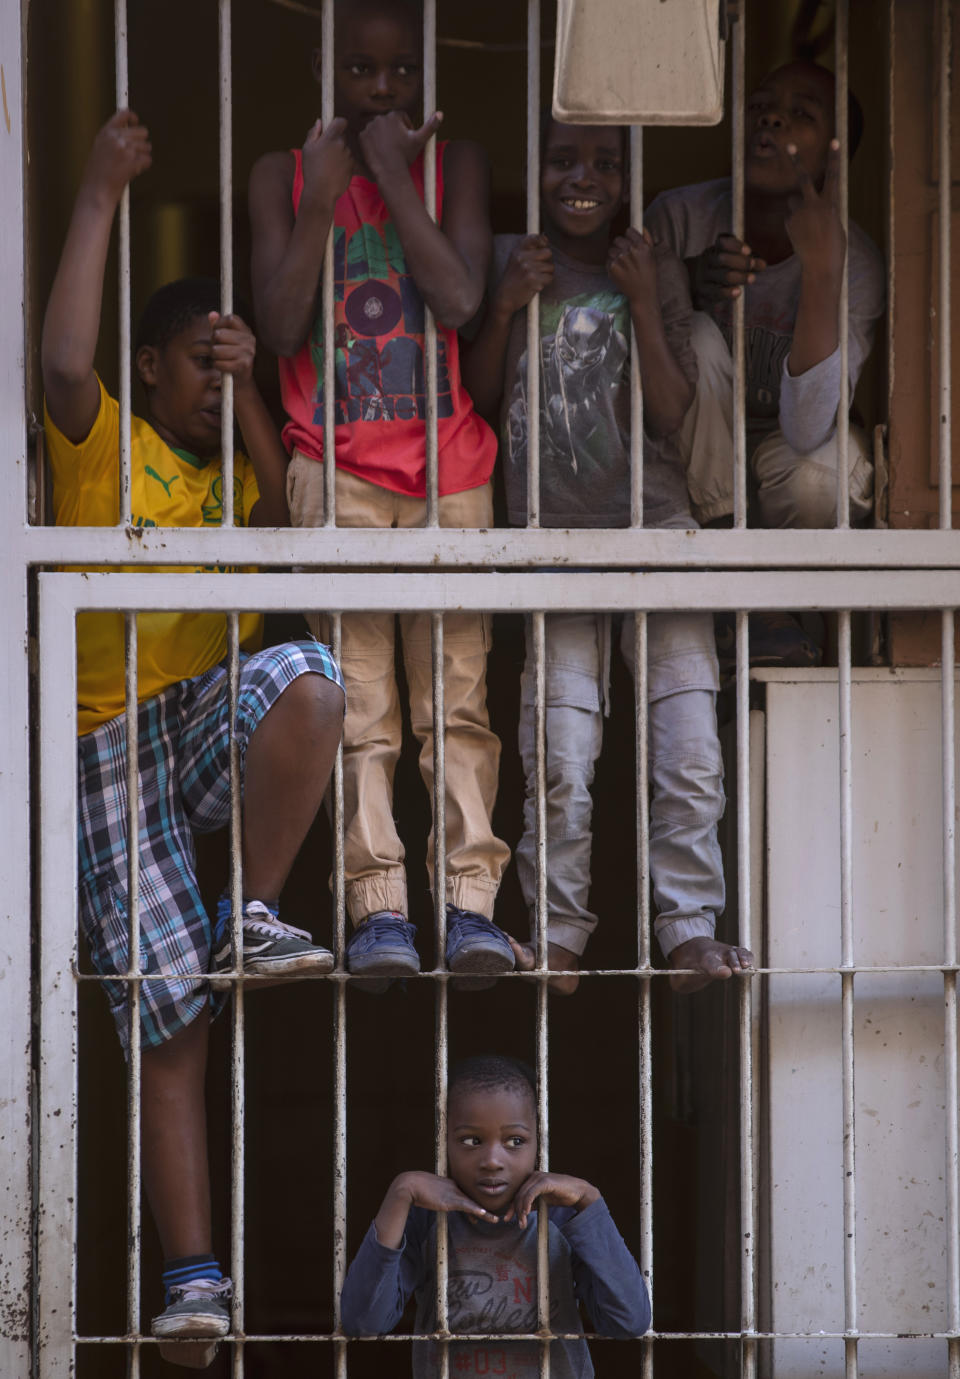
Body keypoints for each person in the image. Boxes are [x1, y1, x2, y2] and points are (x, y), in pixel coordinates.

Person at [42, 109, 346, 1364]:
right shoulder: (107, 442)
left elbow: (288, 516)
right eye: (196, 369)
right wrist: (101, 194)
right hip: (110, 740)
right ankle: (192, 1280)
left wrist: (257, 383)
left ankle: (255, 911)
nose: (207, 389)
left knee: (313, 678)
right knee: (173, 1026)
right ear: (153, 369)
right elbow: (62, 363)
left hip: (197, 730)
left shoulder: (231, 480)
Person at [249, 0, 512, 992]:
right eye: (360, 72)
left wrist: (396, 177)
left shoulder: (462, 164)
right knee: (361, 703)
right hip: (338, 463)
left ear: (428, 80)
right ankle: (379, 909)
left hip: (452, 464)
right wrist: (322, 197)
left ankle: (473, 905)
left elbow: (458, 299)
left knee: (458, 697)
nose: (381, 91)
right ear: (325, 73)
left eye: (400, 75)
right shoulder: (280, 172)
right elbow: (279, 327)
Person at [461, 117, 753, 994]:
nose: (581, 178)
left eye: (603, 164)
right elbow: (473, 397)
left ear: (630, 182)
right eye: (561, 161)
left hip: (657, 532)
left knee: (688, 748)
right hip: (550, 543)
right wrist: (507, 303)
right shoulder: (511, 259)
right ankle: (556, 934)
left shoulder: (648, 264)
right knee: (557, 753)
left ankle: (689, 928)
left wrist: (639, 297)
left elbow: (669, 410)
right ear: (534, 171)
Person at [646, 59, 886, 663]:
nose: (771, 116)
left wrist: (821, 270)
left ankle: (784, 608)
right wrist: (693, 288)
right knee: (697, 334)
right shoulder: (681, 218)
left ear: (835, 155)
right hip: (694, 466)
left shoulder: (856, 261)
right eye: (761, 104)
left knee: (820, 480)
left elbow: (809, 430)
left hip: (789, 453)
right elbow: (648, 378)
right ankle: (742, 597)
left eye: (800, 113)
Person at [340, 1055, 650, 1376]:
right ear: (443, 1142)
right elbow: (363, 1322)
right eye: (471, 1141)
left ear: (538, 1142)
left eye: (515, 1141)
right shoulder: (429, 1221)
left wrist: (589, 1199)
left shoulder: (560, 1218)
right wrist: (400, 1192)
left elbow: (629, 1321)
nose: (491, 1160)